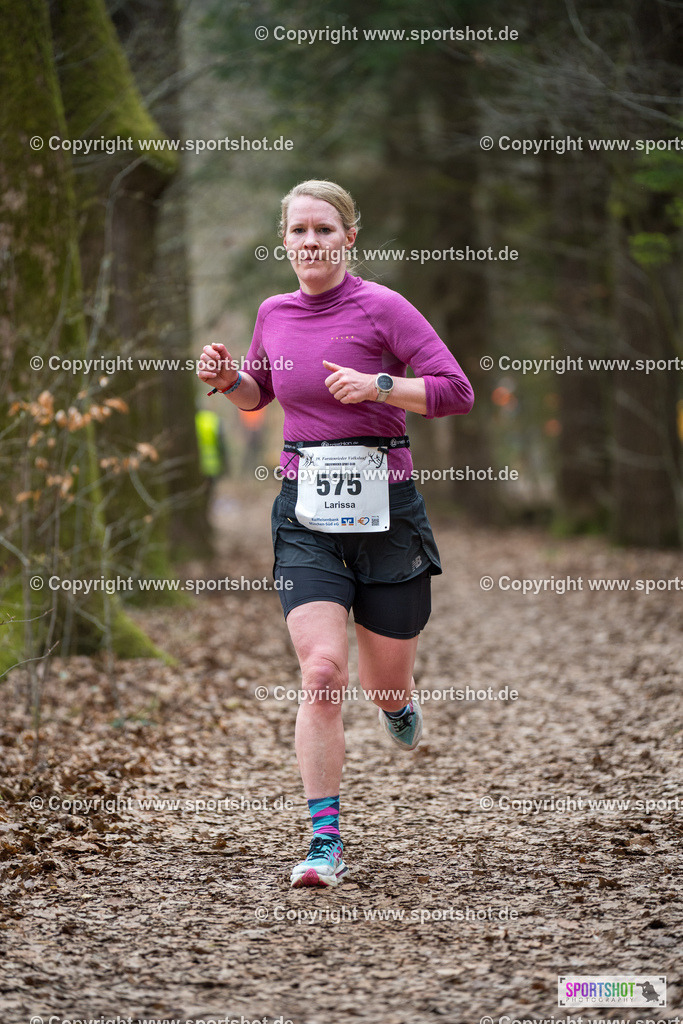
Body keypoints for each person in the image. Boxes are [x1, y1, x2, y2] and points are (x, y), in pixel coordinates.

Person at [197, 180, 474, 888]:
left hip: (388, 514)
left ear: (349, 237)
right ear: (283, 240)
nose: (311, 242)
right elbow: (260, 393)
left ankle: (397, 703)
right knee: (321, 673)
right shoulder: (273, 311)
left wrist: (381, 386)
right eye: (298, 231)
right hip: (306, 515)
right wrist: (230, 380)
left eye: (324, 229)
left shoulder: (383, 307)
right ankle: (324, 842)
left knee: (383, 687)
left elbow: (454, 389)